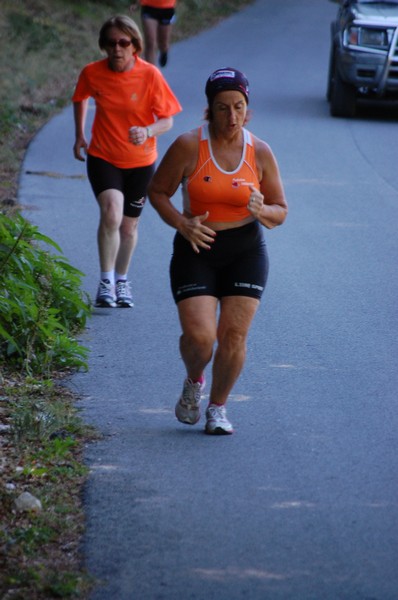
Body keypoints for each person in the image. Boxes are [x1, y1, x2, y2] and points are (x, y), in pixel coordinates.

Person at [148, 67, 288, 435]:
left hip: (245, 249)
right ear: (209, 109)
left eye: (239, 107)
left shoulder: (260, 152)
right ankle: (195, 380)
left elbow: (281, 210)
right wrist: (182, 223)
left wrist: (262, 211)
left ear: (248, 108)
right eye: (223, 108)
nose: (232, 117)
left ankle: (218, 409)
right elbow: (157, 191)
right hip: (197, 247)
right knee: (200, 339)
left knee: (234, 337)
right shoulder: (189, 146)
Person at [72, 15, 182, 307]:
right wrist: (80, 134)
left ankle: (122, 280)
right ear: (103, 46)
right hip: (103, 156)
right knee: (111, 212)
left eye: (124, 42)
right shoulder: (92, 73)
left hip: (142, 162)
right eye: (111, 43)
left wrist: (147, 130)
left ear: (135, 45)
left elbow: (168, 120)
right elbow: (80, 97)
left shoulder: (150, 76)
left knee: (128, 227)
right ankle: (105, 281)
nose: (117, 49)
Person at [130, 1, 176, 67]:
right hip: (149, 7)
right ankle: (151, 71)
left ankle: (164, 51)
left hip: (167, 8)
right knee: (150, 42)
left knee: (164, 43)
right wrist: (136, 4)